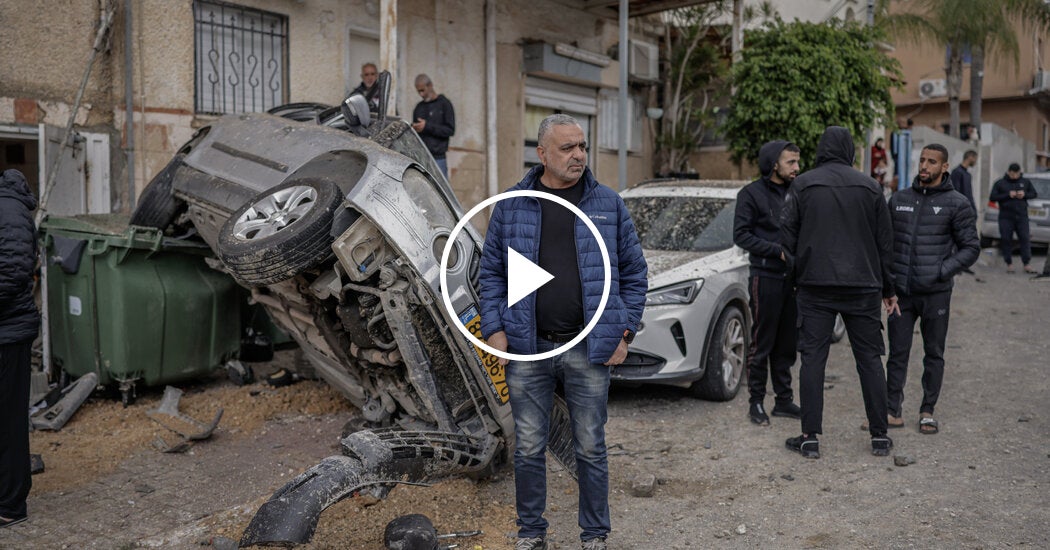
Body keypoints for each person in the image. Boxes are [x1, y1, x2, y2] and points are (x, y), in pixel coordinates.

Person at [479, 114, 648, 550]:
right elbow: (491, 272)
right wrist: (494, 328)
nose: (579, 155)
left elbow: (634, 273)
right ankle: (531, 533)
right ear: (542, 154)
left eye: (582, 146)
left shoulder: (608, 204)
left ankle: (594, 535)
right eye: (567, 148)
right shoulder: (512, 204)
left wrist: (624, 333)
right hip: (527, 348)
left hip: (589, 348)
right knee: (528, 447)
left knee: (590, 446)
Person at [780, 126, 898, 459]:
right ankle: (879, 436)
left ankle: (810, 437)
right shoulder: (870, 187)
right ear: (848, 150)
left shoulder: (803, 185)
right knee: (870, 359)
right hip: (863, 286)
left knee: (812, 360)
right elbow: (885, 244)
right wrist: (889, 289)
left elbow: (787, 237)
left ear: (822, 149)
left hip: (815, 285)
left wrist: (797, 275)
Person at [885, 144, 979, 436]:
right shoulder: (899, 199)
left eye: (932, 162)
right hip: (901, 294)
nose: (924, 166)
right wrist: (887, 282)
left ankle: (927, 411)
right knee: (897, 353)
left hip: (936, 294)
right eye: (922, 160)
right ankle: (891, 411)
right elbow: (885, 243)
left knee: (934, 353)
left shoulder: (957, 203)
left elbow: (971, 247)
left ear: (944, 167)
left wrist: (941, 271)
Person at [732, 140, 802, 426]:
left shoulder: (798, 192)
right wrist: (777, 251)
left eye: (798, 162)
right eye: (791, 162)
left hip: (793, 280)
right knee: (762, 343)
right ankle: (756, 402)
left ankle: (783, 400)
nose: (797, 167)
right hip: (765, 277)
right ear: (774, 165)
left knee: (787, 344)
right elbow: (741, 235)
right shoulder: (751, 194)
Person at [0, 169, 40, 528]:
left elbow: (13, 270)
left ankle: (11, 506)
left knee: (9, 421)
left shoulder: (8, 208)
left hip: (9, 334)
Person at [989, 163, 1039, 273]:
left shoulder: (1025, 182)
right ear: (1008, 172)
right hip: (1006, 217)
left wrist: (1024, 194)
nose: (1014, 176)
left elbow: (1034, 194)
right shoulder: (1000, 183)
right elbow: (992, 197)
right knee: (1006, 239)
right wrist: (1008, 195)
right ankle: (1009, 264)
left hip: (1022, 217)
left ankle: (1026, 264)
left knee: (1025, 239)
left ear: (1019, 172)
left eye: (1016, 174)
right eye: (1012, 174)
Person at [411, 74, 455, 179]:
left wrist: (427, 126)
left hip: (438, 158)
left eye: (423, 90)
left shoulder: (444, 104)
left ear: (430, 85)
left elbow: (450, 130)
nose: (421, 94)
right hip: (422, 157)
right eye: (418, 91)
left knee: (440, 187)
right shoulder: (419, 107)